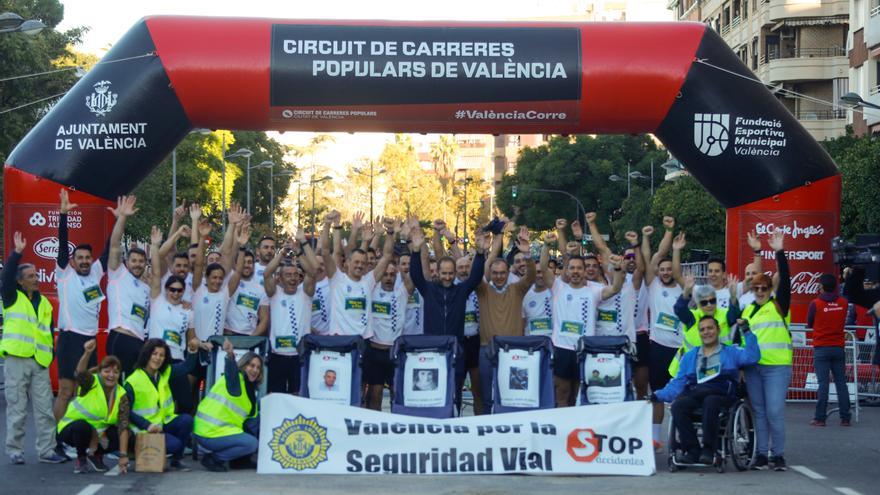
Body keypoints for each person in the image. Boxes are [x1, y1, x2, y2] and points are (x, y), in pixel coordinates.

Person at [653, 316, 760, 465]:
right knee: (678, 406)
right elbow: (677, 383)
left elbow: (753, 356)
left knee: (711, 401)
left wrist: (746, 331)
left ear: (718, 330)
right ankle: (692, 450)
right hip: (697, 392)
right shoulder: (690, 356)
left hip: (721, 393)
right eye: (702, 329)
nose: (706, 332)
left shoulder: (730, 352)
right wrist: (657, 395)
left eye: (710, 328)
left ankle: (709, 450)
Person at [408, 222, 487, 407]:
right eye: (444, 273)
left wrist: (481, 254)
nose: (447, 277)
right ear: (438, 273)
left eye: (451, 273)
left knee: (455, 390)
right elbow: (416, 275)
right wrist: (416, 251)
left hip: (455, 349)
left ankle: (454, 424)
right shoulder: (428, 289)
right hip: (433, 349)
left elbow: (475, 277)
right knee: (433, 391)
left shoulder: (461, 291)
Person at [1, 232, 64, 464]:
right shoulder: (11, 297)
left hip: (39, 362)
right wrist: (16, 253)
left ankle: (47, 450)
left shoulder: (44, 303)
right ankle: (15, 450)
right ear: (20, 281)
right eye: (30, 276)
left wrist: (50, 357)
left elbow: (48, 333)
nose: (36, 279)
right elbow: (6, 276)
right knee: (17, 407)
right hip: (17, 358)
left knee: (45, 409)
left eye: (36, 275)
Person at [547, 233, 625, 407]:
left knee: (579, 393)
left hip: (584, 349)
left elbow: (616, 288)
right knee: (562, 392)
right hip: (562, 348)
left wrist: (618, 269)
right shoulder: (558, 287)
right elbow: (544, 269)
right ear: (566, 270)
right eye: (572, 268)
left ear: (584, 271)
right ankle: (562, 429)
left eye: (579, 268)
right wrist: (545, 246)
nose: (575, 272)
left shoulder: (594, 290)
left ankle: (577, 428)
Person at [54, 190, 108, 435]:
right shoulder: (65, 274)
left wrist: (121, 219)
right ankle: (60, 437)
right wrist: (64, 215)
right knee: (66, 391)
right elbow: (62, 247)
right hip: (69, 339)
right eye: (80, 258)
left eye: (88, 257)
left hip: (90, 342)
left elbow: (111, 249)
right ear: (73, 261)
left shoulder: (96, 273)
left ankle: (82, 438)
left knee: (85, 391)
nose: (85, 261)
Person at [740, 231, 792, 471]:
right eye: (756, 287)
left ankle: (778, 454)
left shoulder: (779, 304)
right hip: (753, 368)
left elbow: (787, 280)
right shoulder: (747, 311)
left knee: (774, 412)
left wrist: (779, 251)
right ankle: (761, 454)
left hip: (777, 367)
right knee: (759, 412)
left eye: (764, 287)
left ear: (771, 288)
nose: (760, 291)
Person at [476, 227, 535, 414]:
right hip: (487, 349)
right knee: (487, 397)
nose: (499, 276)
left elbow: (531, 276)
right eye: (495, 273)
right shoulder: (484, 291)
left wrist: (527, 254)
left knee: (514, 396)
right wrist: (480, 253)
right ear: (491, 274)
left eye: (503, 273)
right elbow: (475, 277)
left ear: (508, 273)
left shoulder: (516, 289)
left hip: (514, 350)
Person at [124, 338, 200, 470]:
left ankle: (177, 461)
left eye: (162, 355)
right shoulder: (133, 381)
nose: (157, 358)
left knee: (187, 420)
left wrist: (192, 351)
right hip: (142, 430)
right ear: (147, 355)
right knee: (174, 445)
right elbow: (125, 411)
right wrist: (147, 425)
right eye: (154, 354)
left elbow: (187, 367)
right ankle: (136, 451)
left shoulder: (164, 373)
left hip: (162, 423)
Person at [56, 339, 130, 474]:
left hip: (98, 435)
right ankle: (81, 458)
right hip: (71, 429)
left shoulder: (121, 394)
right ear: (100, 372)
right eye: (107, 371)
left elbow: (123, 425)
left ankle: (95, 455)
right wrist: (87, 353)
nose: (111, 375)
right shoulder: (92, 382)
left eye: (115, 372)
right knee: (82, 427)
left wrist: (123, 456)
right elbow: (80, 373)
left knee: (121, 434)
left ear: (119, 375)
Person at [321, 212, 395, 337]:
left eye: (363, 263)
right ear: (348, 263)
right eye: (356, 262)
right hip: (340, 341)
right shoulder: (337, 278)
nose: (360, 265)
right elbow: (325, 251)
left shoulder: (369, 281)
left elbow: (387, 255)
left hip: (363, 342)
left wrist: (390, 231)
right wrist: (328, 224)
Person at [641, 217, 681, 448]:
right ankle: (655, 439)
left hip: (679, 350)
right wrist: (667, 231)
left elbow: (672, 265)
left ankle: (677, 437)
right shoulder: (653, 284)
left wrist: (676, 251)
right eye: (662, 270)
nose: (665, 272)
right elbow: (652, 257)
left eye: (669, 269)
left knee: (679, 396)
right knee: (657, 394)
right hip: (657, 347)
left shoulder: (685, 287)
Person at [194, 338, 262, 472]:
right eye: (251, 365)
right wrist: (230, 354)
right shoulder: (236, 380)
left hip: (219, 430)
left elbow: (250, 420)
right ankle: (214, 458)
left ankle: (240, 461)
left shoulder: (250, 390)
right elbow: (231, 371)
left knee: (255, 419)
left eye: (258, 367)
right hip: (208, 432)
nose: (255, 370)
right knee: (252, 444)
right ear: (243, 366)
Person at [264, 231, 318, 395]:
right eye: (288, 275)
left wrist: (298, 251)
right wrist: (281, 254)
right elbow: (267, 273)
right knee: (277, 396)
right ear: (279, 278)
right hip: (277, 355)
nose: (293, 278)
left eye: (295, 275)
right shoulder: (274, 293)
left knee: (298, 396)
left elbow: (313, 272)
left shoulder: (305, 293)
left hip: (299, 356)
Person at [105, 195, 150, 378]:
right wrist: (122, 217)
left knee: (133, 389)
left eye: (141, 261)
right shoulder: (118, 274)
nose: (137, 264)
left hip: (139, 343)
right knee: (115, 387)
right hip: (120, 338)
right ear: (126, 261)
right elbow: (115, 245)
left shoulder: (146, 287)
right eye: (134, 261)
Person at [365, 243, 413, 410]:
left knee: (396, 393)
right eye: (385, 274)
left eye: (392, 274)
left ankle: (396, 427)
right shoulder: (371, 290)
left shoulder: (402, 292)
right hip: (375, 350)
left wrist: (401, 267)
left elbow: (410, 279)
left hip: (395, 352)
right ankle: (375, 428)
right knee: (375, 394)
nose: (388, 278)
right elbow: (372, 272)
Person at [669, 274, 741, 376]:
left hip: (718, 367)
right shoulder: (693, 317)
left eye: (712, 301)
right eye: (704, 303)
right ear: (698, 304)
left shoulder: (724, 314)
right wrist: (686, 292)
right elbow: (679, 309)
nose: (709, 305)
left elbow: (735, 314)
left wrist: (733, 296)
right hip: (691, 369)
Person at [806, 273, 852, 427]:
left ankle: (820, 418)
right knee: (841, 383)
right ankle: (845, 417)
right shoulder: (843, 303)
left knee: (823, 383)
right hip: (838, 346)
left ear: (822, 287)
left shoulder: (815, 303)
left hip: (821, 347)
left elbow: (810, 323)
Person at [224, 218, 270, 336]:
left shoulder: (261, 289)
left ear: (254, 264)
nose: (246, 265)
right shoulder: (229, 281)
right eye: (242, 262)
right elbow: (229, 252)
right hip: (229, 333)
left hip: (250, 336)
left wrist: (251, 338)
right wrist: (236, 228)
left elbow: (264, 319)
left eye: (249, 262)